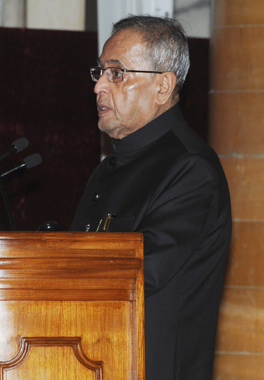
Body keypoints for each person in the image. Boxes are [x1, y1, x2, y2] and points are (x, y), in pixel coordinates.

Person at [69, 15, 231, 380]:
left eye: (117, 73)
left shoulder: (191, 170)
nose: (98, 88)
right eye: (99, 72)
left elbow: (141, 271)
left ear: (163, 87)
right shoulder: (107, 170)